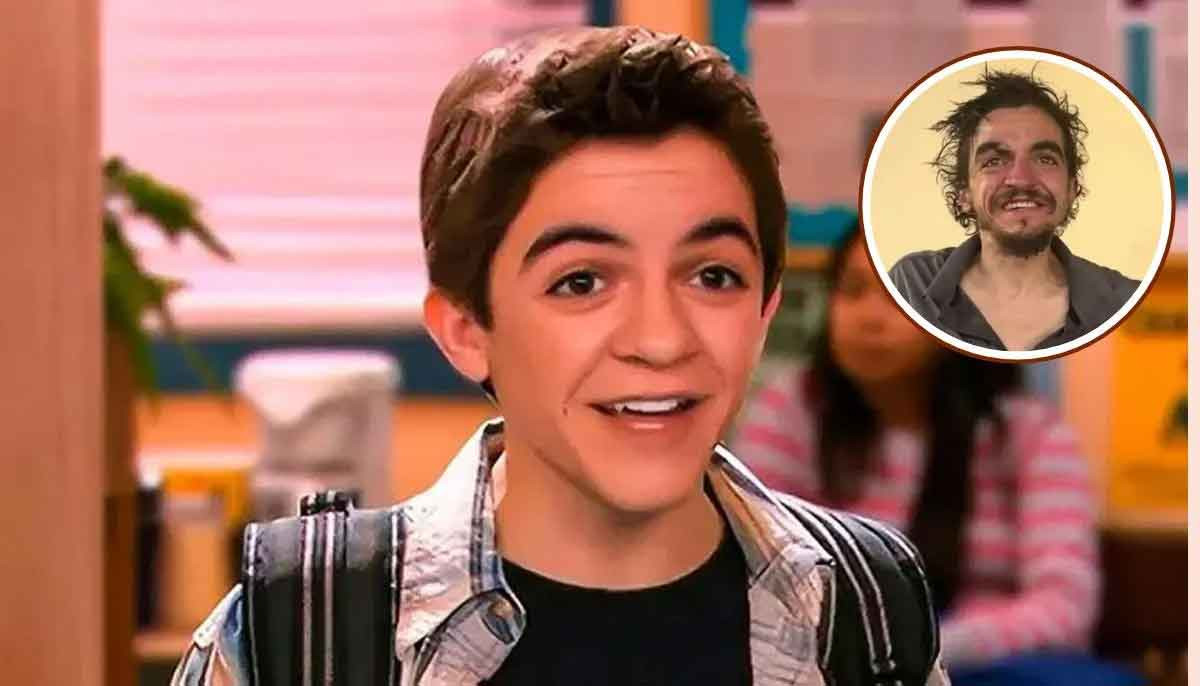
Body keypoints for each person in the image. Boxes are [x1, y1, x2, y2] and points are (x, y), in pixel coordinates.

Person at [170, 27, 948, 686]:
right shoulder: (303, 632)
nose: (661, 339)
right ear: (465, 329)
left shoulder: (864, 615)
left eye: (713, 276)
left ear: (765, 308)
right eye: (581, 282)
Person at [736, 225, 1147, 685]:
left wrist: (924, 649)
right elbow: (763, 586)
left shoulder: (1028, 432)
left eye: (899, 294)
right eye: (852, 291)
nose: (869, 317)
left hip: (982, 666)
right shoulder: (791, 413)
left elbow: (1064, 608)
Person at [888, 69, 1140, 352]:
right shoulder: (911, 285)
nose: (1021, 179)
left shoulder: (1126, 301)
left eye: (1045, 159)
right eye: (994, 161)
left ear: (1072, 189)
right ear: (964, 195)